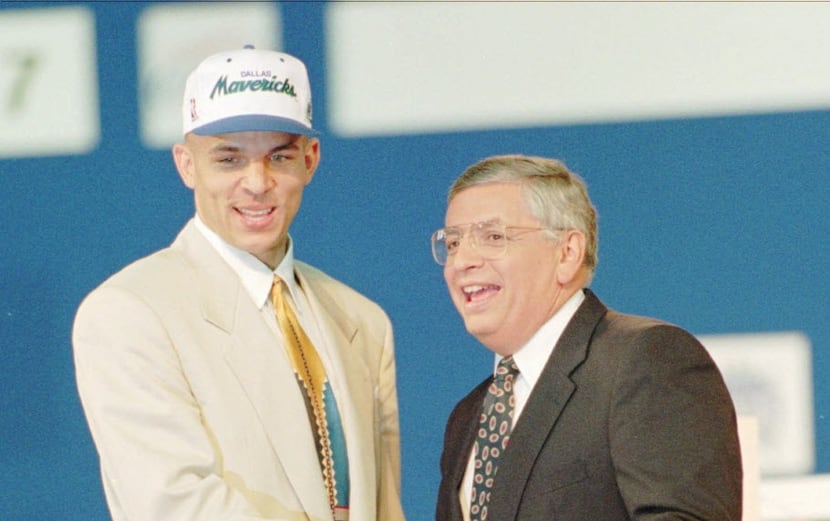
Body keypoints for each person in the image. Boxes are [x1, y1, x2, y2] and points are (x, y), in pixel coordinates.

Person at [73, 46, 405, 521]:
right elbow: (173, 503)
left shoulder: (362, 320)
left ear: (310, 160)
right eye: (229, 160)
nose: (256, 182)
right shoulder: (130, 311)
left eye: (279, 157)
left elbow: (385, 508)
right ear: (187, 165)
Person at [432, 154, 742, 520]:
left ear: (567, 252)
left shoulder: (645, 361)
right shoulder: (468, 415)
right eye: (452, 243)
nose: (462, 260)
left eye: (493, 237)